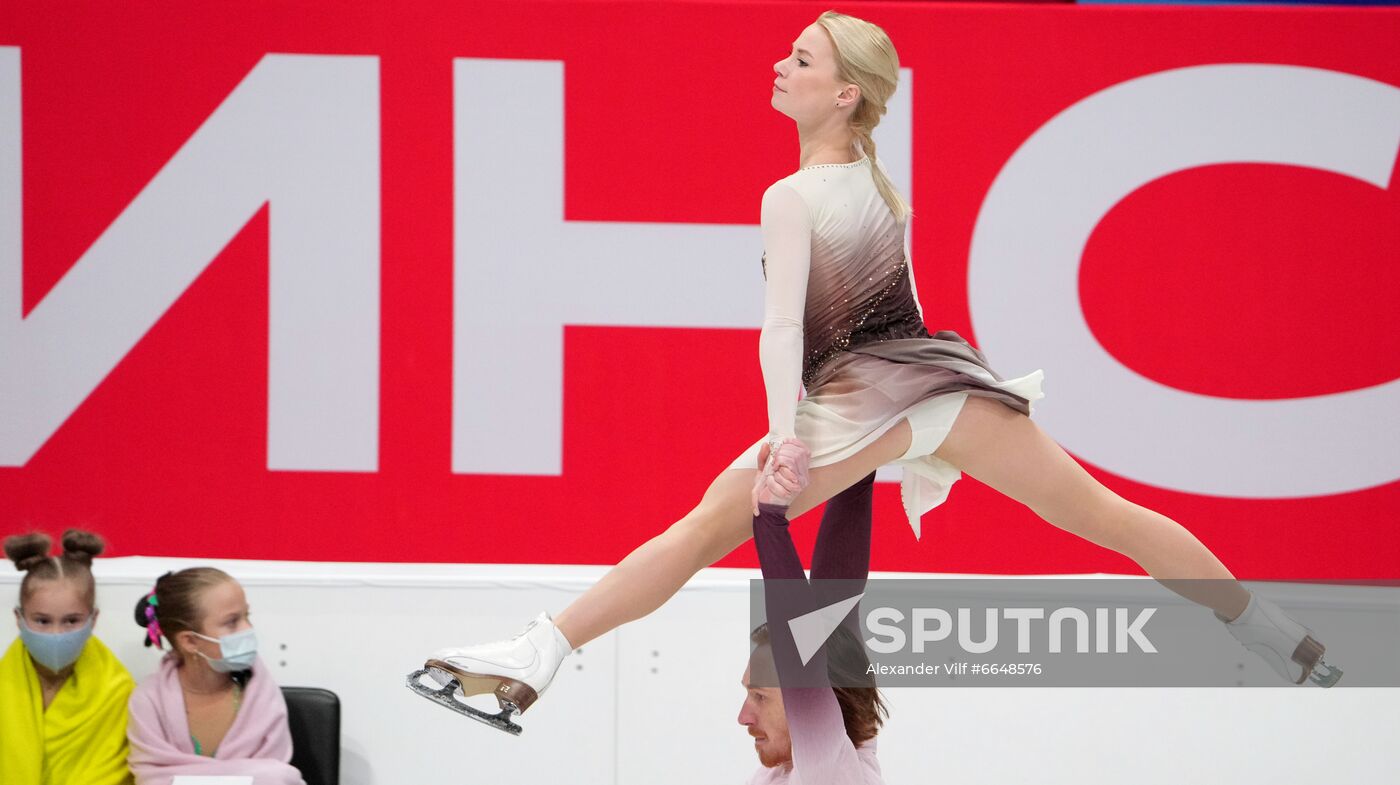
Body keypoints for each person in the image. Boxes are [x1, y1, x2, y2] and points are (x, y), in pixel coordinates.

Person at [414, 10, 1338, 732]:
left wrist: (786, 432)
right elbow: (886, 308)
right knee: (1108, 519)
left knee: (704, 527)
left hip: (868, 392)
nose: (782, 65)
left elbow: (783, 331)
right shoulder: (872, 179)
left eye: (804, 60)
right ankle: (1277, 637)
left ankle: (540, 651)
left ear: (846, 93)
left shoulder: (794, 193)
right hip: (944, 381)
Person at [127, 567, 304, 785]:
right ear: (190, 641)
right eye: (232, 621)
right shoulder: (148, 700)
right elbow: (151, 779)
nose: (247, 628)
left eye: (246, 616)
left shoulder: (263, 696)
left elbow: (278, 777)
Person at [1, 530, 135, 785]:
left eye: (71, 621)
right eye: (42, 621)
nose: (56, 633)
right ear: (19, 619)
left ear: (93, 620)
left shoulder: (118, 690)